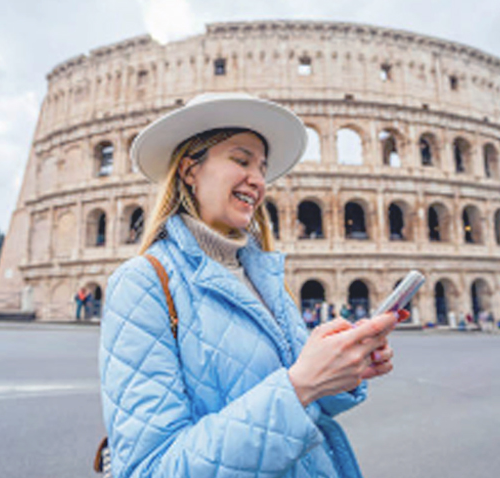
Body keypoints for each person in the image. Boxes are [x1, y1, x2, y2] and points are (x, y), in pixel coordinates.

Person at [99, 93, 410, 478]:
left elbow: (309, 404)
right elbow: (150, 469)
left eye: (262, 168)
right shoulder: (141, 284)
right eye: (241, 160)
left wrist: (342, 365)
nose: (258, 181)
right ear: (189, 170)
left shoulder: (265, 279)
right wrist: (299, 386)